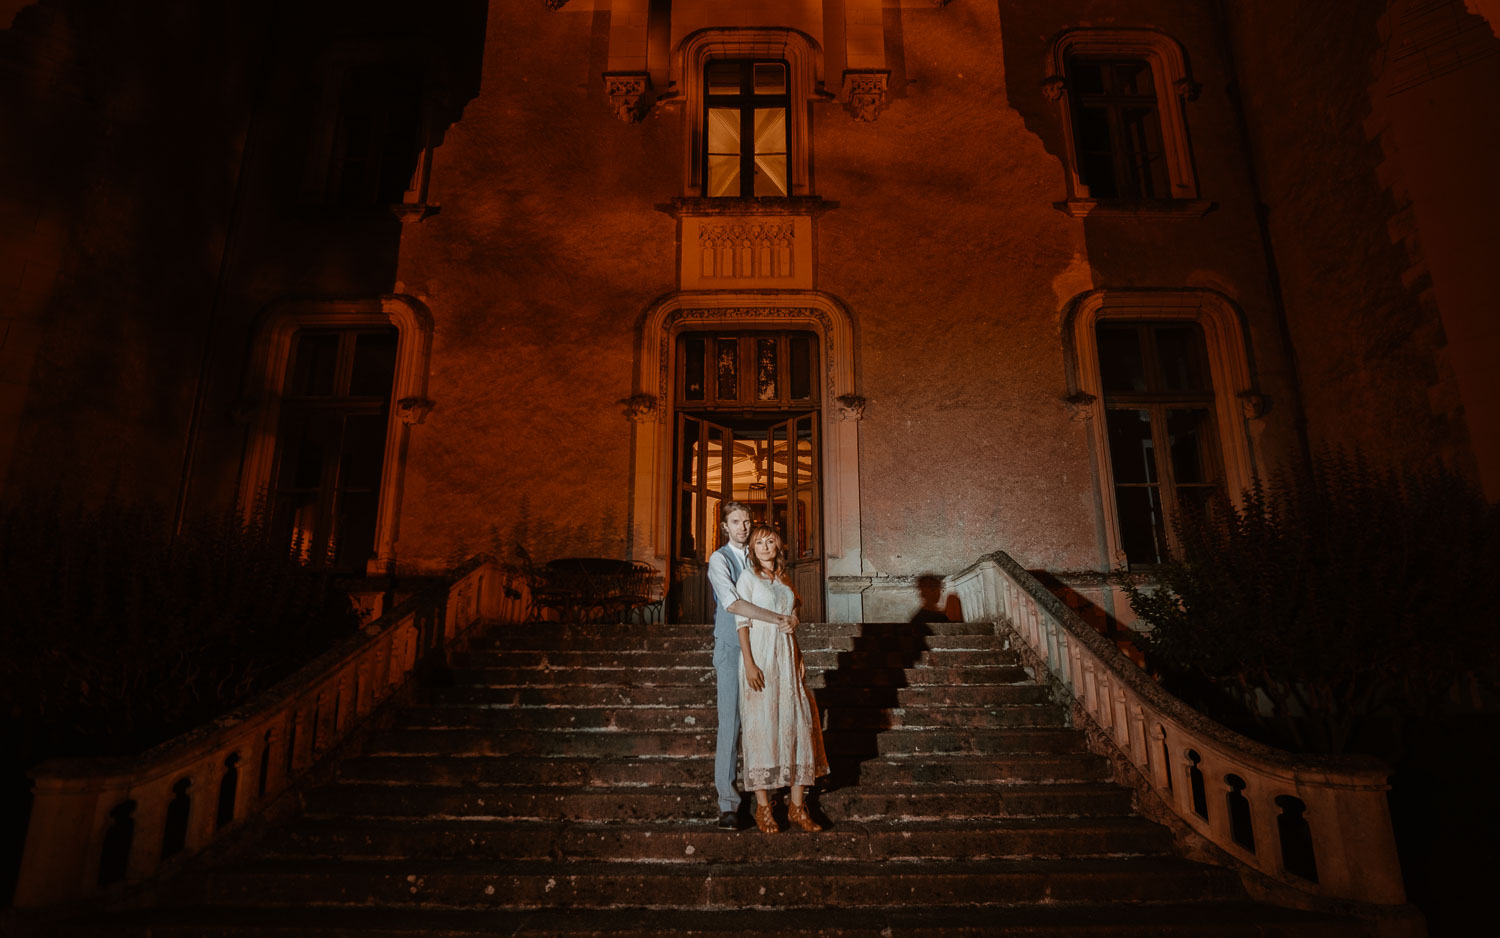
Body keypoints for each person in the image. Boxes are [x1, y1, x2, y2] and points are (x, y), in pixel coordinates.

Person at [707, 502, 798, 830]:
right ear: (725, 526)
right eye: (736, 522)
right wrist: (777, 618)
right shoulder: (719, 559)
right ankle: (729, 804)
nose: (743, 527)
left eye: (746, 521)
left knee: (767, 719)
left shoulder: (760, 554)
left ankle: (768, 793)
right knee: (731, 724)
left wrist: (791, 617)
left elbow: (785, 594)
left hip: (767, 649)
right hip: (733, 648)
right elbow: (732, 603)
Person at [735, 522, 829, 833]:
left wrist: (798, 651)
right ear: (752, 549)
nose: (765, 547)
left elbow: (792, 614)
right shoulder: (748, 577)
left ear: (778, 545)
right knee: (761, 725)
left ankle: (797, 808)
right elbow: (742, 623)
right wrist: (749, 663)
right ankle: (763, 808)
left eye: (770, 541)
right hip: (760, 654)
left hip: (787, 656)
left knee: (797, 722)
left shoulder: (784, 578)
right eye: (758, 543)